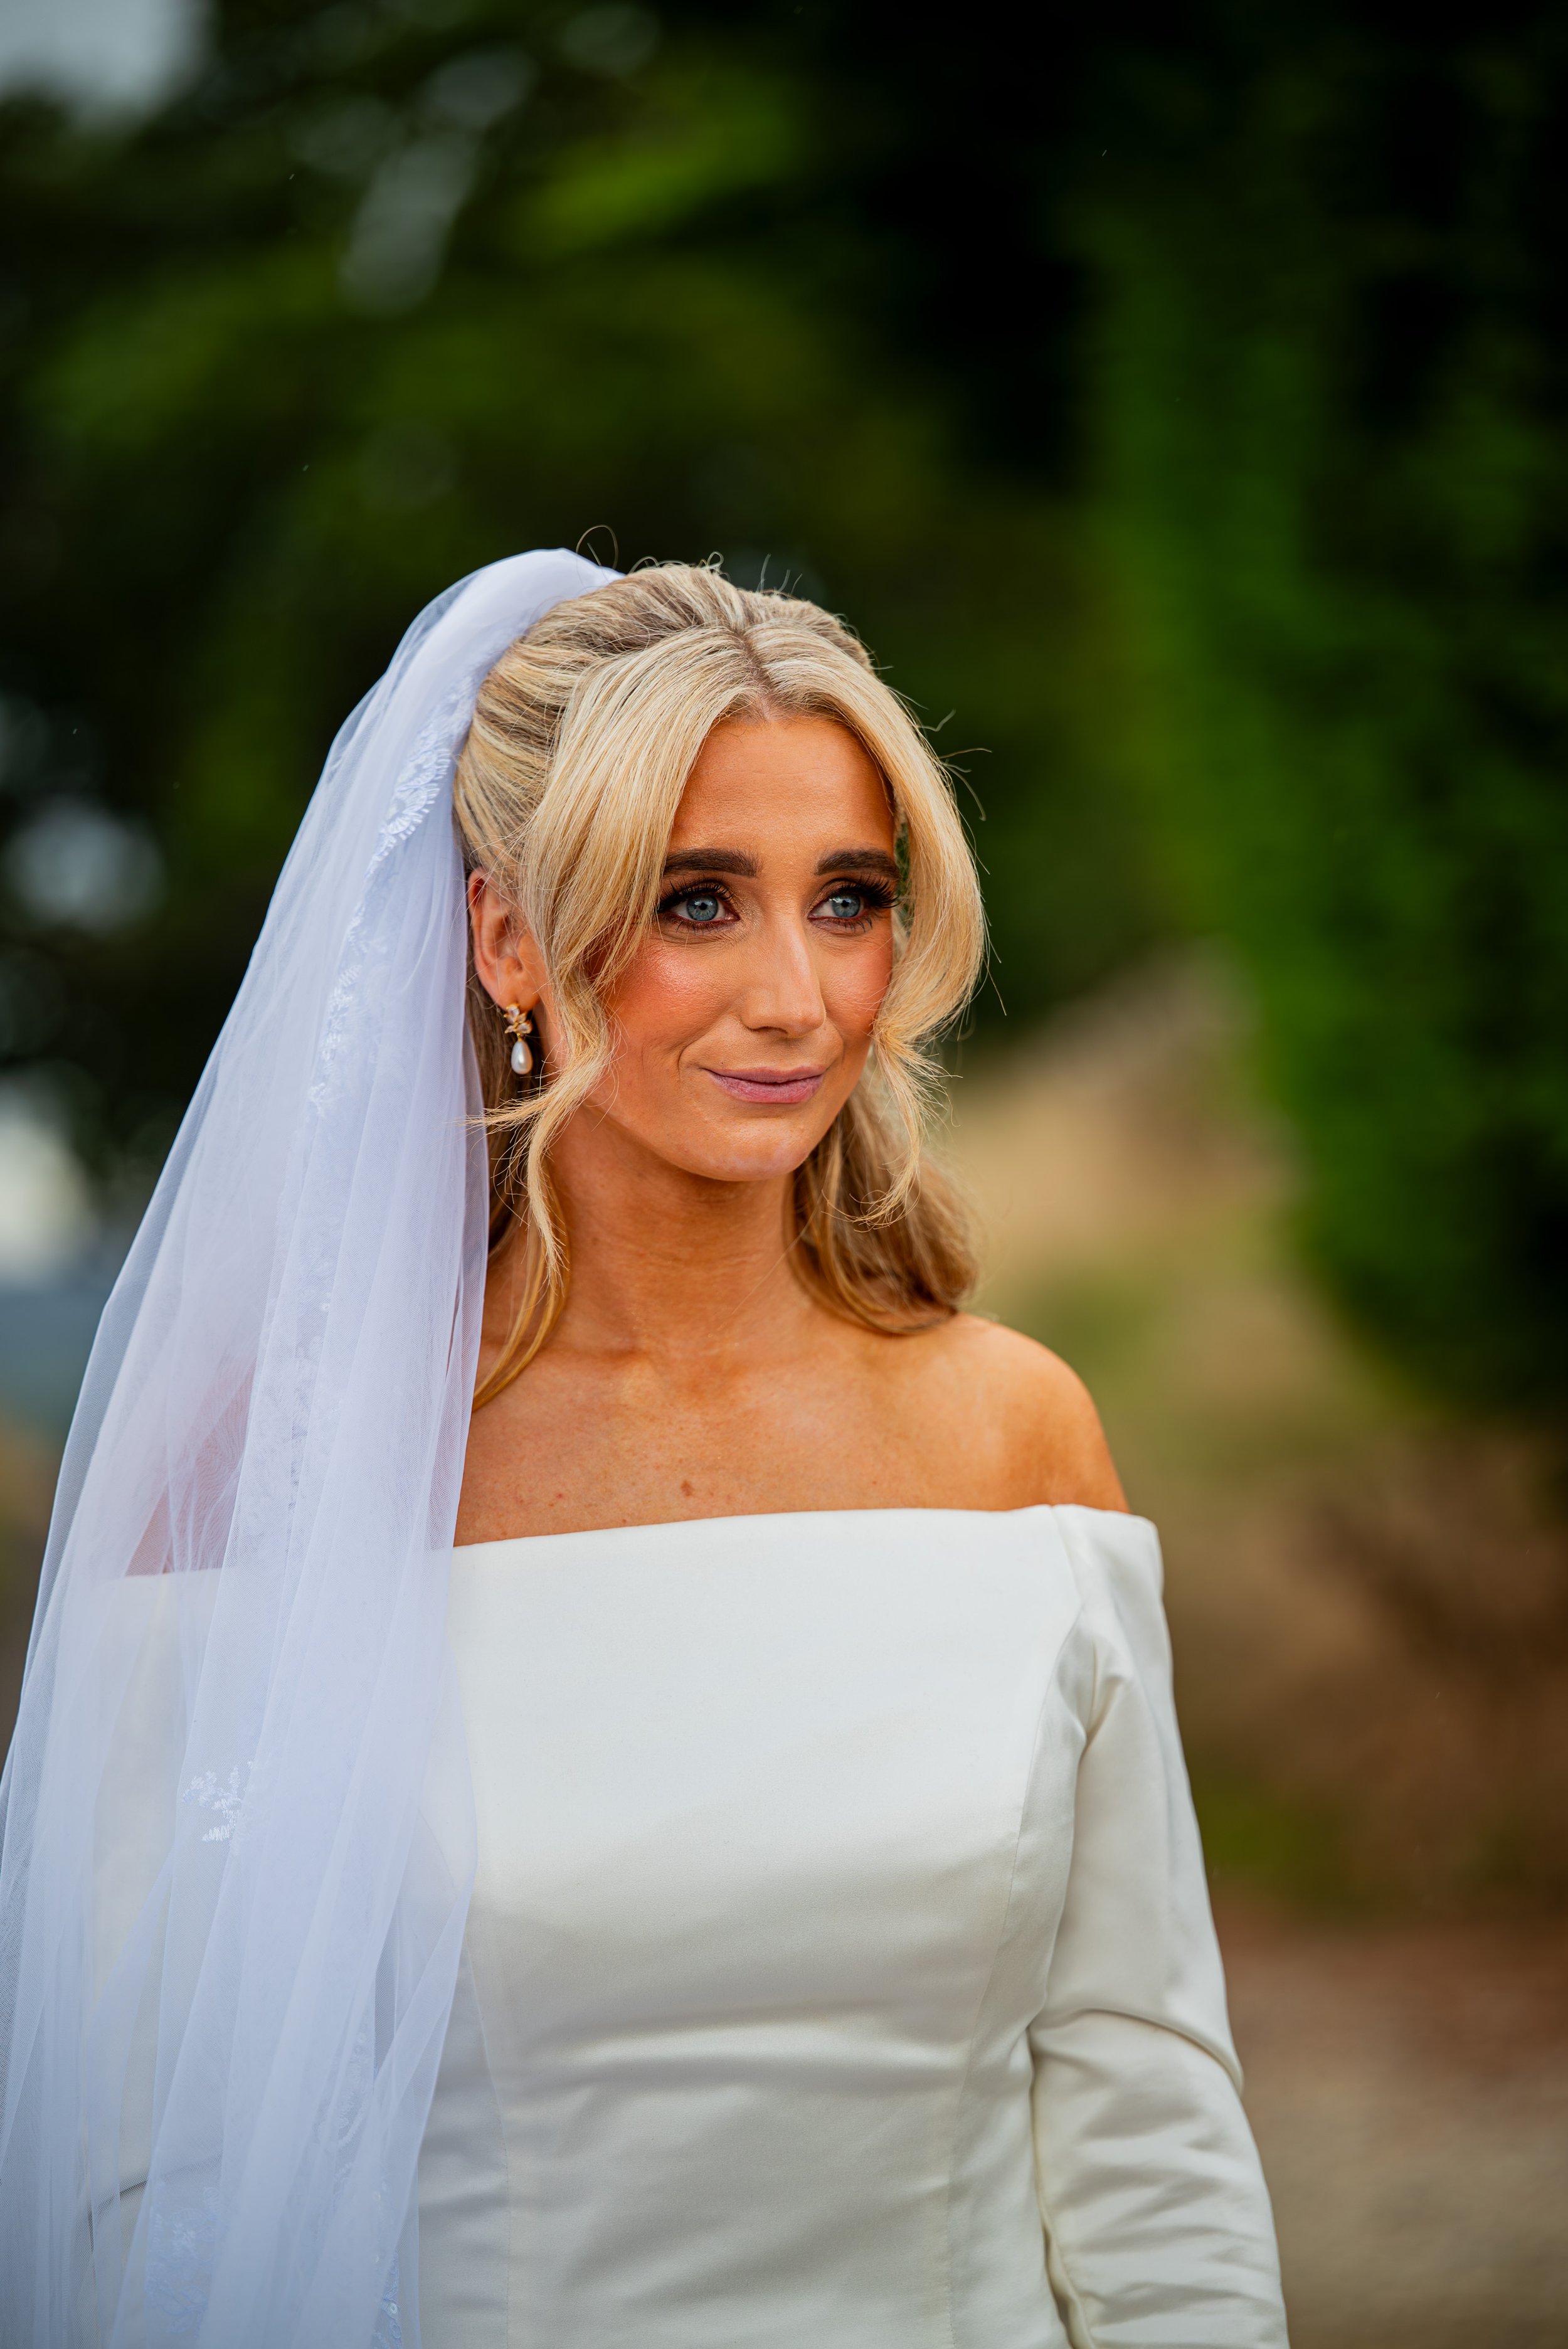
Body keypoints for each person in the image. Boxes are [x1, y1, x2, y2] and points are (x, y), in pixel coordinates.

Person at [0, 551, 1288, 2346]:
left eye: (848, 899)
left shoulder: (1013, 1435)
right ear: (509, 937)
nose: (797, 995)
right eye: (697, 901)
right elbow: (144, 2184)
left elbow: (1143, 2100)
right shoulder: (262, 1488)